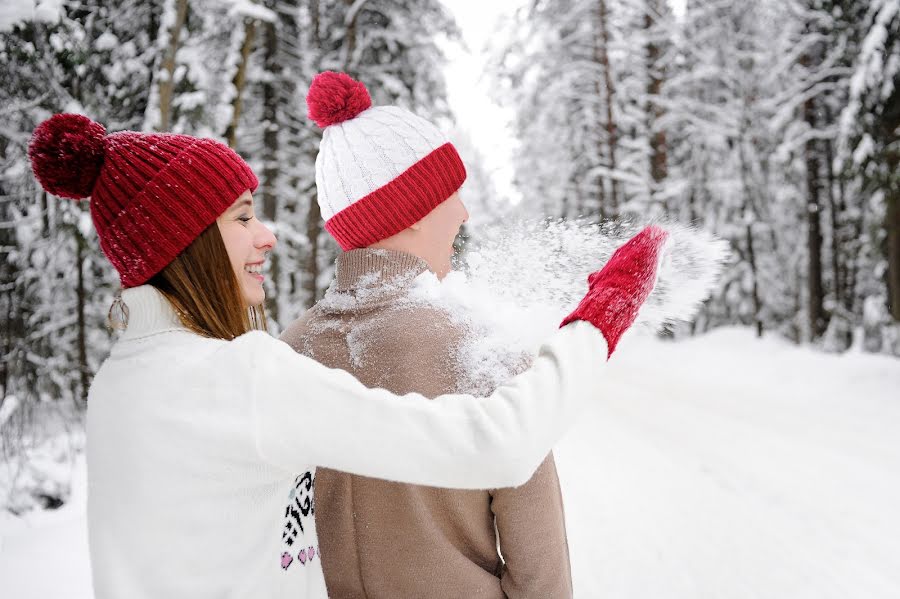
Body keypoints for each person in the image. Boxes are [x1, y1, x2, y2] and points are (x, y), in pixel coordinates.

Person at [27, 109, 667, 599]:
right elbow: (501, 444)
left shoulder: (121, 385)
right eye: (243, 217)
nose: (268, 235)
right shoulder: (245, 378)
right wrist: (597, 319)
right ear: (188, 241)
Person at [280, 71, 572, 598]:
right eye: (449, 194)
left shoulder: (284, 355)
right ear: (408, 212)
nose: (462, 213)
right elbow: (542, 574)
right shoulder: (481, 350)